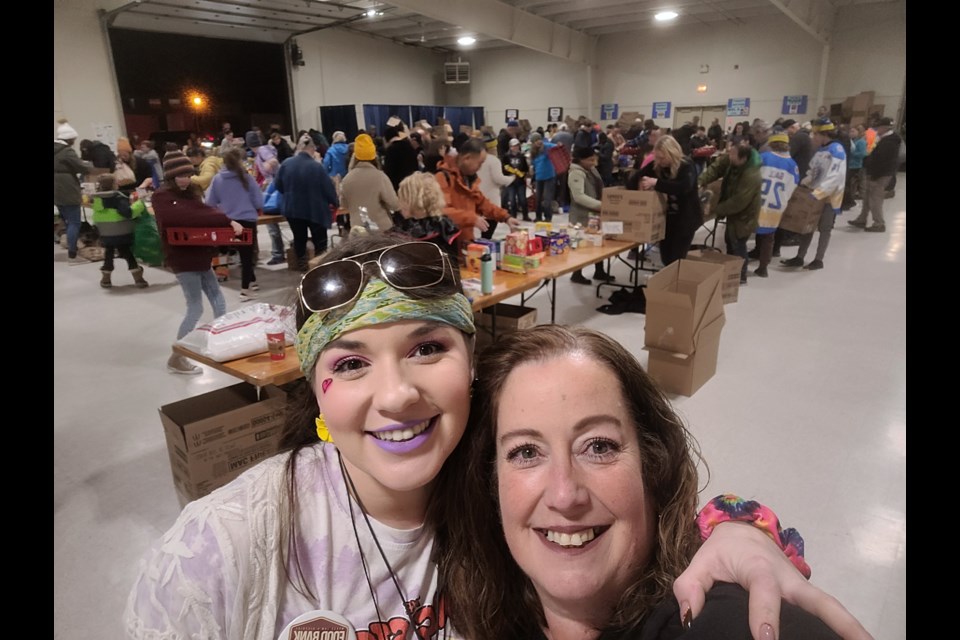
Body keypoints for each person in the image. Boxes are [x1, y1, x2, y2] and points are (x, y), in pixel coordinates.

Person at [126, 233, 868, 639]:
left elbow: (627, 503)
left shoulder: (490, 478)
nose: (397, 394)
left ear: (470, 371)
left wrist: (739, 528)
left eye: (427, 348)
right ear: (316, 393)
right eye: (351, 364)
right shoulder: (222, 551)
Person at [438, 324, 875, 640]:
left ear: (653, 465)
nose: (564, 494)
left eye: (600, 446)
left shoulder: (713, 616)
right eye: (526, 452)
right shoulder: (466, 598)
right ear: (488, 483)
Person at [151, 151, 243, 375]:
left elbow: (204, 212)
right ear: (171, 177)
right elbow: (187, 216)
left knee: (219, 302)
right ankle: (177, 357)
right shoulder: (161, 197)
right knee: (195, 307)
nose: (185, 179)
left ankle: (220, 343)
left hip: (200, 255)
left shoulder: (192, 194)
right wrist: (226, 219)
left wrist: (224, 220)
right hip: (182, 259)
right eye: (180, 175)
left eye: (188, 174)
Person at [435, 137, 521, 255]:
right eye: (479, 163)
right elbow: (442, 211)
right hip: (447, 247)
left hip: (465, 244)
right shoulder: (442, 178)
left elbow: (483, 203)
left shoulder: (469, 179)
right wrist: (472, 218)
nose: (480, 168)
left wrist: (506, 217)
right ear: (467, 158)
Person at [628, 135, 704, 268]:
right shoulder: (657, 166)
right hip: (667, 219)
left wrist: (656, 183)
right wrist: (640, 183)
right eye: (657, 157)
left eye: (662, 158)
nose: (659, 161)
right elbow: (635, 179)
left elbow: (683, 187)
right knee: (666, 256)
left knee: (676, 258)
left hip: (686, 218)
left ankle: (673, 285)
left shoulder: (686, 165)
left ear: (672, 153)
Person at [780, 120, 846, 271]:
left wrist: (819, 192)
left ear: (823, 134)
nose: (813, 137)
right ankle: (800, 257)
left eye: (815, 134)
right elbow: (813, 171)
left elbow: (835, 176)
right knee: (807, 225)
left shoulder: (837, 150)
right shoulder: (820, 150)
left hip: (828, 197)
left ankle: (818, 259)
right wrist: (805, 183)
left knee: (824, 228)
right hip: (814, 195)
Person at [206, 147, 264, 301]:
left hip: (227, 221)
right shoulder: (246, 178)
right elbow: (258, 200)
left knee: (237, 252)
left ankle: (252, 281)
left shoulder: (217, 179)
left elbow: (209, 202)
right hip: (247, 220)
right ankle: (245, 290)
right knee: (247, 256)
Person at [274, 134, 340, 272]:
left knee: (299, 239)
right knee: (320, 241)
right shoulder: (317, 167)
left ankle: (302, 267)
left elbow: (278, 186)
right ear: (312, 149)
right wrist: (335, 203)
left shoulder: (286, 164)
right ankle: (319, 267)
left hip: (293, 209)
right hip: (314, 209)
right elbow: (328, 189)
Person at [698, 143, 762, 284]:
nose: (729, 157)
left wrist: (715, 210)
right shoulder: (733, 160)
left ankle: (740, 276)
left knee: (738, 243)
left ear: (743, 158)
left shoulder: (751, 175)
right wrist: (700, 181)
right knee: (730, 240)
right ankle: (731, 271)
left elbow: (739, 201)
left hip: (745, 215)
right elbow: (716, 168)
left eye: (733, 155)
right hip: (734, 212)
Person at [752, 132, 800, 278]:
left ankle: (740, 264)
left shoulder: (765, 157)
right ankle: (763, 267)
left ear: (772, 144)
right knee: (769, 236)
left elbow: (752, 174)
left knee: (747, 231)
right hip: (776, 205)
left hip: (758, 200)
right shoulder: (793, 165)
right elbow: (793, 186)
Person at [91, 173, 149, 289]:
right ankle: (138, 278)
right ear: (114, 184)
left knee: (109, 252)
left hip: (105, 233)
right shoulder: (118, 197)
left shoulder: (97, 199)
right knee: (127, 252)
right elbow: (128, 213)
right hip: (121, 231)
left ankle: (106, 278)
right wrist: (140, 203)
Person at [54, 119, 100, 263]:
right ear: (69, 138)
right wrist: (89, 166)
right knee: (75, 222)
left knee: (67, 221)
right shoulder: (67, 151)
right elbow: (82, 168)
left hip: (56, 189)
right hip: (67, 187)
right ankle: (73, 255)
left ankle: (71, 246)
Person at [567, 146, 614, 285]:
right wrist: (601, 205)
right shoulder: (575, 173)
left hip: (593, 213)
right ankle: (576, 273)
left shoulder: (590, 170)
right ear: (580, 160)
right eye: (590, 160)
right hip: (580, 215)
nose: (593, 162)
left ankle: (599, 271)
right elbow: (578, 196)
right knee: (580, 245)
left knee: (598, 243)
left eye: (594, 159)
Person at [392, 172, 461, 260]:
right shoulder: (446, 228)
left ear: (411, 201)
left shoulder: (402, 231)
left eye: (402, 198)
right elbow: (453, 265)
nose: (400, 203)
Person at [848, 117, 901, 233]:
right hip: (874, 172)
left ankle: (879, 223)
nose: (876, 130)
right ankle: (862, 219)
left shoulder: (890, 142)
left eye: (879, 127)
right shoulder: (883, 139)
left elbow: (884, 161)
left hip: (880, 174)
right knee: (867, 197)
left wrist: (874, 174)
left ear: (885, 128)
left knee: (875, 199)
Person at [339, 133, 400, 232]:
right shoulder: (380, 177)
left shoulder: (347, 179)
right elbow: (394, 204)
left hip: (358, 230)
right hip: (380, 229)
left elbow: (344, 205)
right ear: (374, 156)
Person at [475, 134, 516, 239]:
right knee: (489, 228)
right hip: (491, 198)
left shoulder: (477, 158)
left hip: (477, 197)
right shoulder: (494, 160)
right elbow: (498, 178)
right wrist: (512, 178)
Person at [528, 132, 558, 222]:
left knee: (547, 199)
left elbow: (556, 146)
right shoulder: (533, 152)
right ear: (533, 142)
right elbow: (533, 164)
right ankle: (538, 217)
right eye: (536, 140)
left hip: (549, 176)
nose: (539, 141)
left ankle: (548, 217)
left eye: (539, 139)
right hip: (539, 177)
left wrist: (559, 145)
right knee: (538, 199)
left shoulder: (546, 146)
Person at [502, 137, 530, 221]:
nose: (515, 148)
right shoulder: (506, 156)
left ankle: (525, 215)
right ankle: (513, 216)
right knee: (512, 199)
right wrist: (509, 173)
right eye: (513, 146)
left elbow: (525, 168)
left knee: (523, 199)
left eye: (517, 146)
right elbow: (503, 168)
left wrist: (523, 173)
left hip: (520, 182)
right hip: (510, 182)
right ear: (510, 147)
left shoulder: (522, 156)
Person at [842, 125, 867, 211]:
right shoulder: (852, 141)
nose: (851, 133)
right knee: (847, 184)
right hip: (849, 164)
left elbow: (862, 154)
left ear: (858, 132)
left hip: (855, 165)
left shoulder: (861, 142)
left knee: (850, 184)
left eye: (853, 131)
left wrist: (852, 153)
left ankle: (850, 201)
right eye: (850, 131)